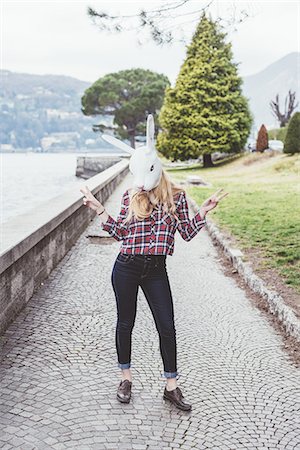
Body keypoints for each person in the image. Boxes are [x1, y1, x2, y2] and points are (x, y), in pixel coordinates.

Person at [80, 170, 228, 411]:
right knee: (125, 323)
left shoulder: (177, 198)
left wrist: (203, 211)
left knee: (167, 326)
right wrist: (99, 209)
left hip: (157, 270)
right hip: (126, 266)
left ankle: (171, 387)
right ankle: (125, 379)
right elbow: (120, 232)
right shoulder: (132, 195)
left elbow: (187, 234)